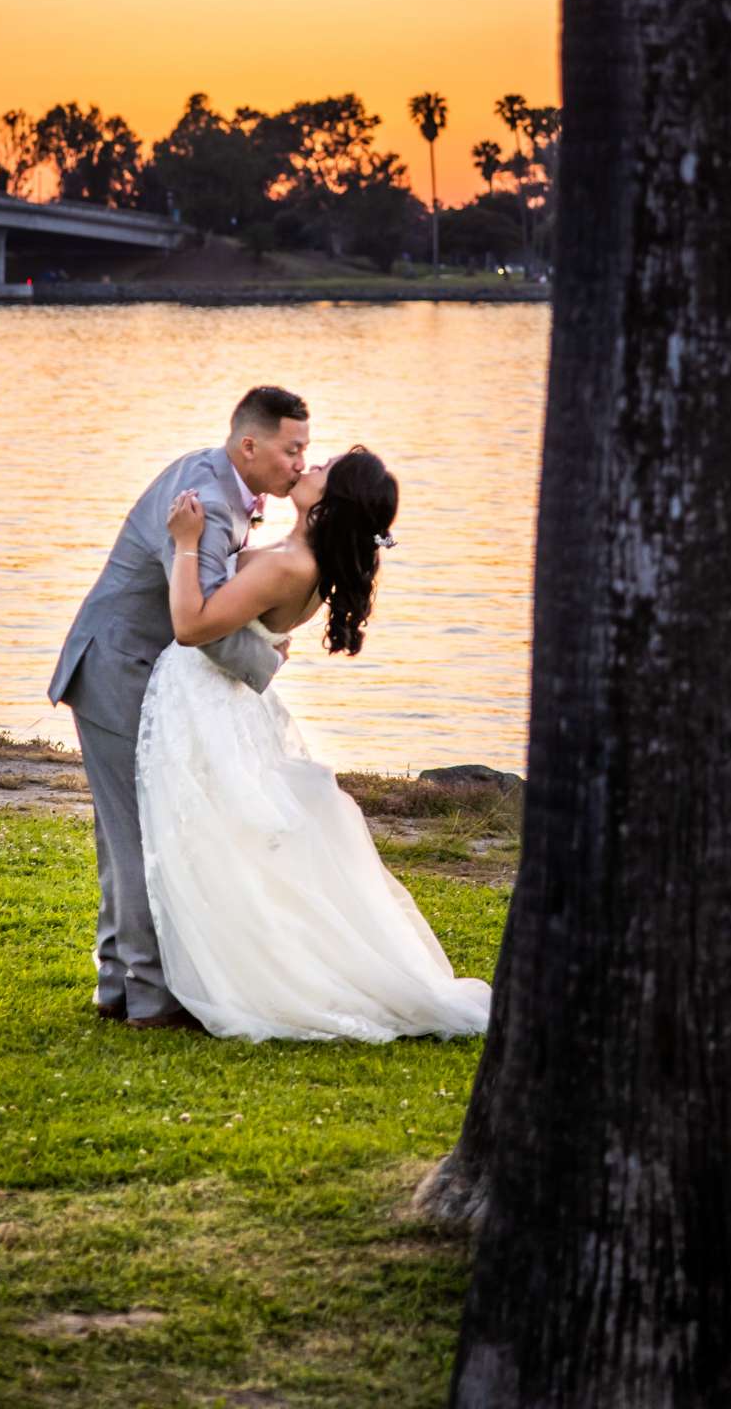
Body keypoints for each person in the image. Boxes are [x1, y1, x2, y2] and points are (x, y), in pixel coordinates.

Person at [137, 446, 491, 1042]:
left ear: (330, 504)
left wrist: (188, 543)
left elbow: (192, 625)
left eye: (322, 470)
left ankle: (247, 978)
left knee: (210, 842)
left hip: (205, 704)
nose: (309, 467)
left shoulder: (292, 565)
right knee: (213, 842)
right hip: (218, 703)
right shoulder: (300, 558)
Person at [47, 384, 310, 1028]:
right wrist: (268, 661)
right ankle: (150, 997)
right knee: (139, 837)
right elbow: (206, 622)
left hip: (136, 670)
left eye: (306, 451)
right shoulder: (209, 501)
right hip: (118, 669)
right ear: (250, 445)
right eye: (292, 449)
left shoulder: (224, 488)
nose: (301, 463)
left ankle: (118, 985)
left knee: (125, 834)